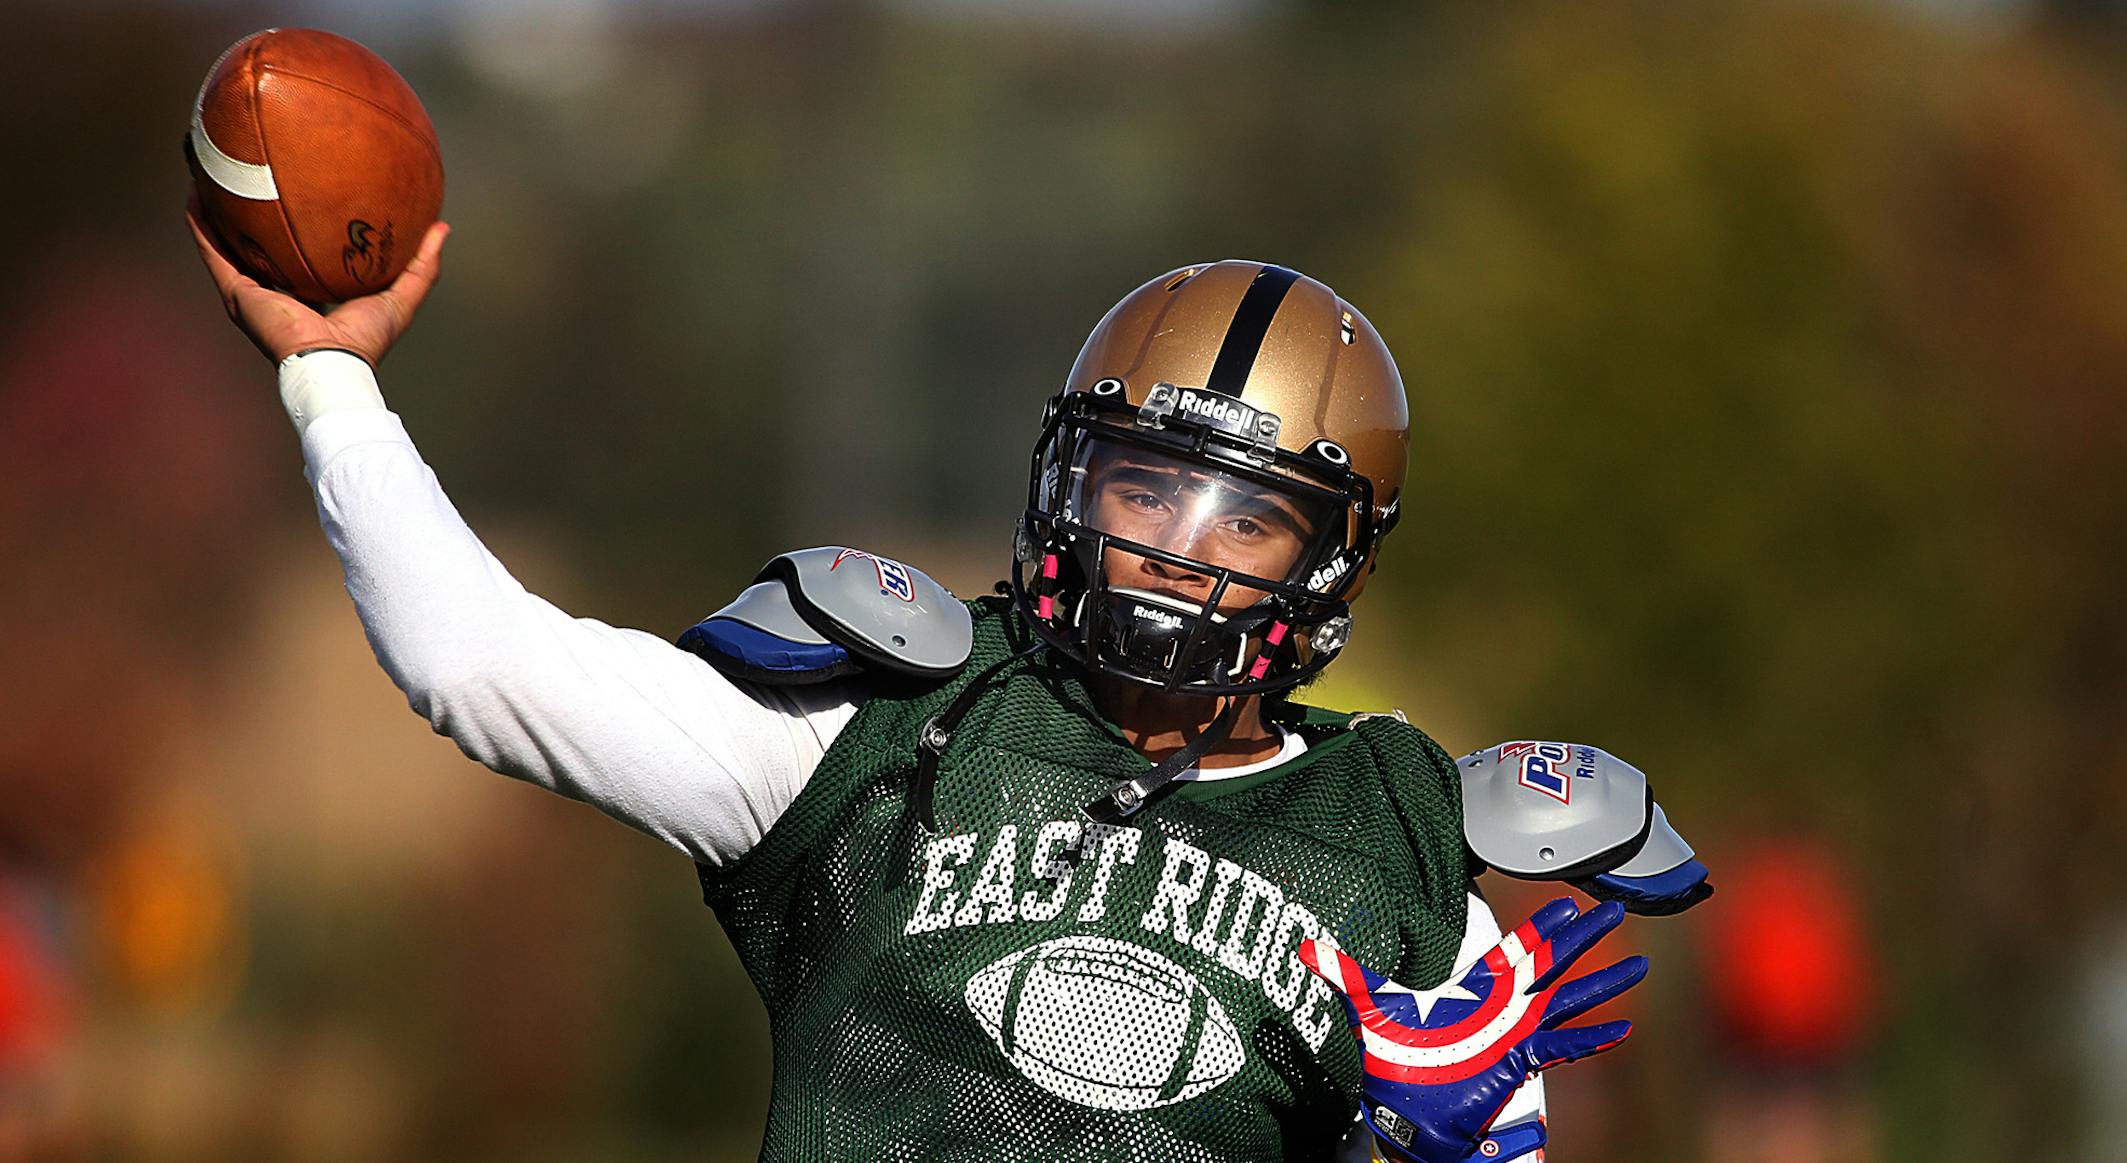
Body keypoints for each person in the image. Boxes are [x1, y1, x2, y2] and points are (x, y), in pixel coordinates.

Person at [188, 206, 1666, 1161]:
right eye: (1144, 488)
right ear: (1067, 480)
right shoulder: (884, 717)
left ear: (1331, 563)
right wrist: (331, 381)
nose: (1174, 552)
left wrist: (1426, 1160)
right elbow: (478, 663)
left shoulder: (1405, 854)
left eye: (1250, 517)